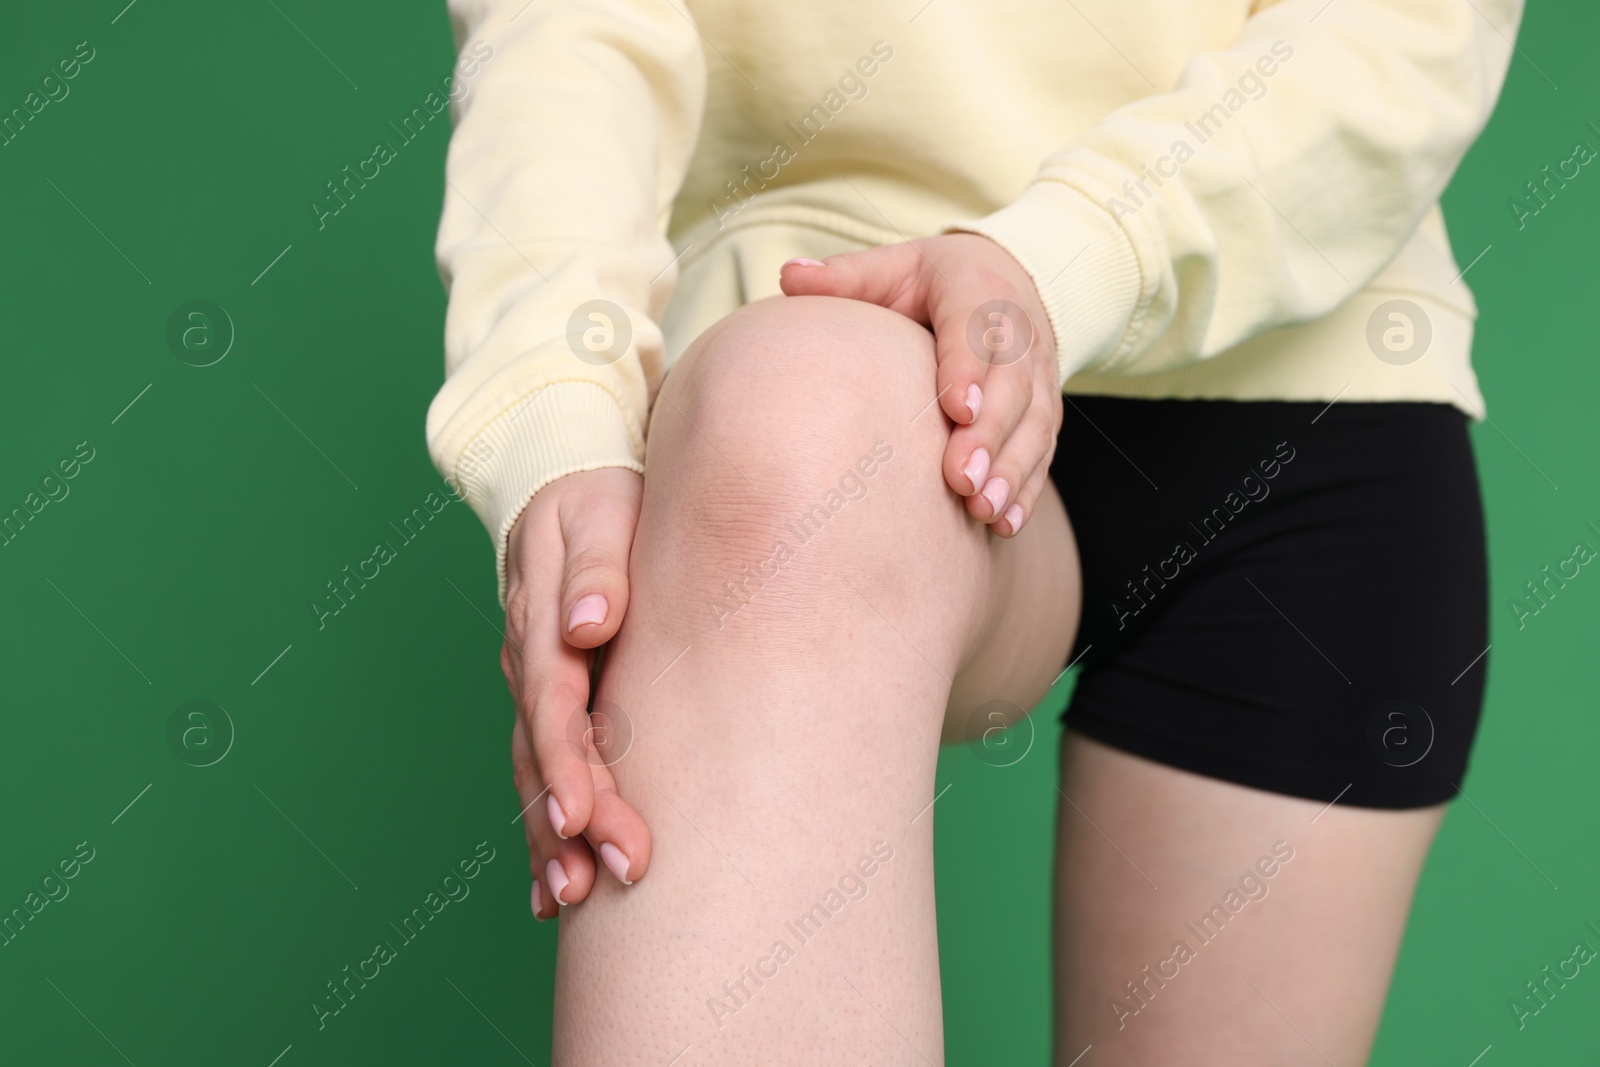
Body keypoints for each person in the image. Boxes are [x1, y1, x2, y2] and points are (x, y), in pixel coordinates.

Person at [427, 0, 1519, 1061]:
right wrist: (556, 409)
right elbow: (562, 33)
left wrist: (1059, 258)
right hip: (835, 365)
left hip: (1303, 395)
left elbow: (1408, 23)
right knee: (794, 416)